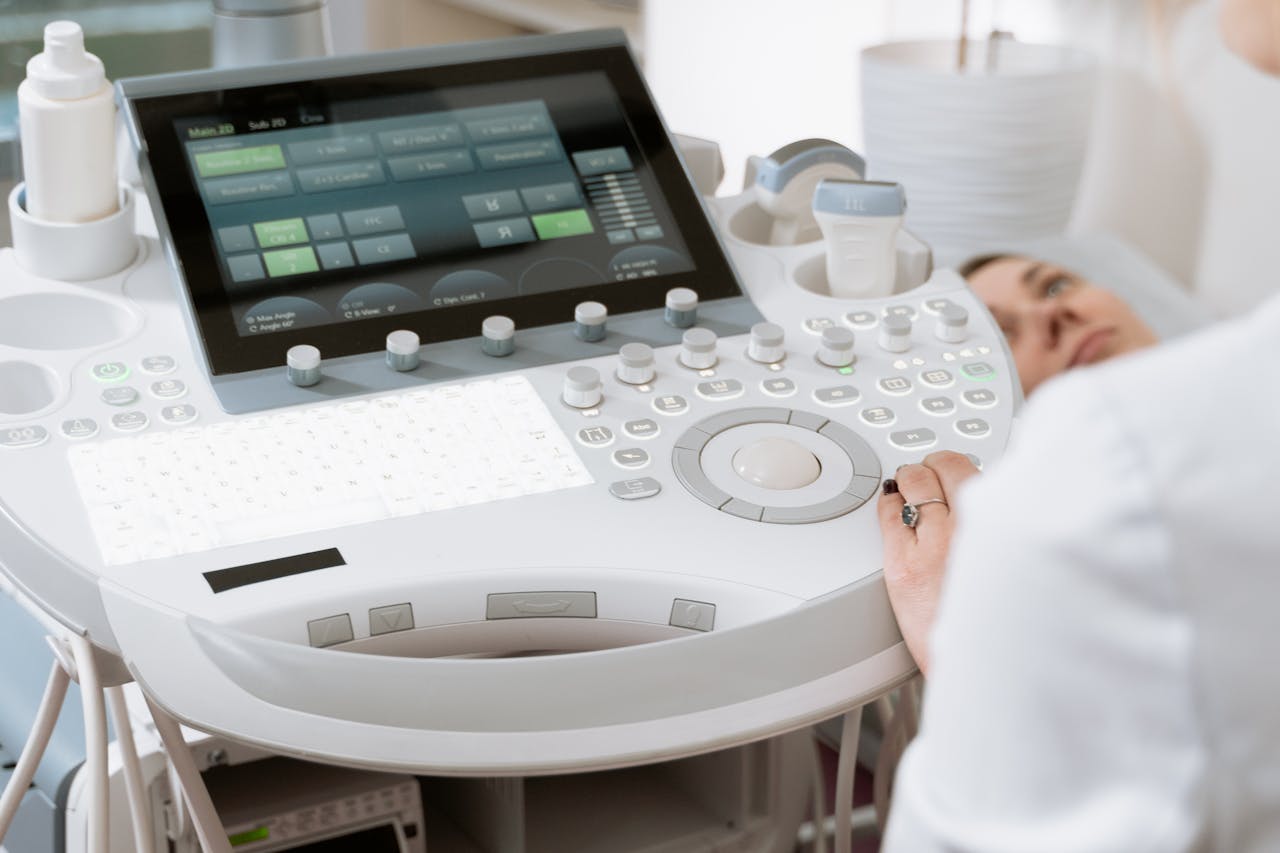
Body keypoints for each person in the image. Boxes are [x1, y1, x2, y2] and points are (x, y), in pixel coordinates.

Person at [876, 0, 1280, 848]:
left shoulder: (1119, 461)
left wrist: (979, 658)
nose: (1051, 320)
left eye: (1055, 287)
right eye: (999, 335)